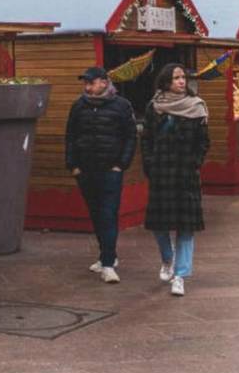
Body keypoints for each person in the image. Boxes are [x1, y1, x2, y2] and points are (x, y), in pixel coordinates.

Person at [142, 63, 209, 297]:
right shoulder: (155, 106)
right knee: (159, 225)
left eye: (183, 77)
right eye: (176, 78)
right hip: (161, 172)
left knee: (186, 227)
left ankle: (180, 275)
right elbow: (147, 139)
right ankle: (167, 259)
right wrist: (150, 164)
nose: (181, 81)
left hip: (186, 174)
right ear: (166, 81)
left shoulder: (196, 106)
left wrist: (195, 162)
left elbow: (203, 142)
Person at [65, 66, 137, 284]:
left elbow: (130, 137)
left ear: (104, 82)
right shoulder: (78, 106)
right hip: (86, 170)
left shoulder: (121, 106)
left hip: (110, 170)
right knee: (96, 214)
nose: (87, 86)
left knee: (108, 213)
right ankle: (108, 255)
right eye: (85, 82)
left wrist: (121, 164)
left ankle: (107, 264)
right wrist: (73, 165)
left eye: (91, 82)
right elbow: (70, 136)